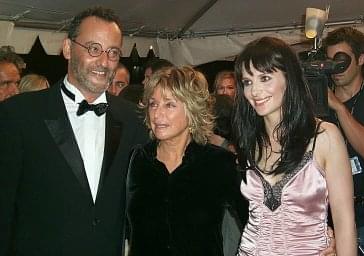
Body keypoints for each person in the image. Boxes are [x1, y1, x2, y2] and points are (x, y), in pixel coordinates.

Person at [0, 6, 147, 256]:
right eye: (93, 49)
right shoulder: (19, 114)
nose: (104, 61)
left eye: (113, 52)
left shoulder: (134, 119)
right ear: (67, 48)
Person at [232, 37, 356, 255]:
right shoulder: (248, 140)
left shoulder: (324, 137)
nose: (255, 91)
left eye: (265, 78)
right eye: (248, 82)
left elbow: (345, 222)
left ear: (289, 79)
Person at [126, 66, 247, 256]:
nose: (157, 114)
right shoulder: (137, 160)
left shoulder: (219, 163)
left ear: (192, 110)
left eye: (169, 104)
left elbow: (256, 225)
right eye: (153, 104)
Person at [324, 26, 364, 255]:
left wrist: (338, 108)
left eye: (341, 60)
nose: (335, 68)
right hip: (330, 219)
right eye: (329, 61)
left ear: (361, 59)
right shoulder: (317, 102)